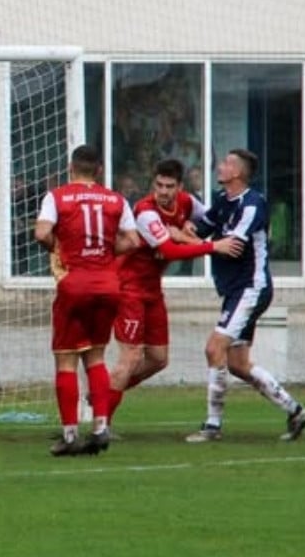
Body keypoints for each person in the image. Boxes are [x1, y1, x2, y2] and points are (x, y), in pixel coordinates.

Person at [184, 149, 305, 443]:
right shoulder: (221, 201)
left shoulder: (253, 204)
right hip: (235, 290)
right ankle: (296, 410)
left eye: (227, 163)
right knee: (238, 364)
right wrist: (188, 232)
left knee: (213, 348)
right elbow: (201, 229)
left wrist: (192, 239)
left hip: (251, 288)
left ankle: (212, 426)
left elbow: (233, 245)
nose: (220, 167)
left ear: (238, 173)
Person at [109, 159, 243, 425]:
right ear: (153, 184)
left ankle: (104, 393)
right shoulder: (146, 212)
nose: (163, 191)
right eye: (159, 185)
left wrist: (194, 234)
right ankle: (103, 421)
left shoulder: (188, 202)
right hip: (128, 288)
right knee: (132, 355)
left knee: (158, 360)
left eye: (170, 186)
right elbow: (170, 250)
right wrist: (211, 246)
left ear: (179, 186)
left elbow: (210, 220)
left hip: (152, 290)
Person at [34, 145, 140, 457]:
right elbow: (133, 240)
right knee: (96, 358)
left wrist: (61, 249)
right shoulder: (115, 199)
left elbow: (42, 233)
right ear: (99, 171)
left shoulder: (57, 197)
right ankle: (101, 427)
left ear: (71, 168)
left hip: (74, 283)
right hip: (108, 285)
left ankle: (69, 435)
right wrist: (107, 253)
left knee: (66, 359)